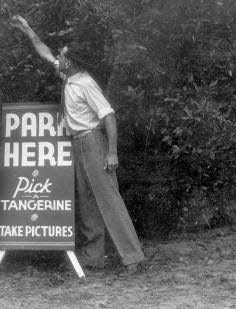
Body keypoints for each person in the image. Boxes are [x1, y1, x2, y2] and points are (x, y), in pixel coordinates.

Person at [11, 15, 144, 275]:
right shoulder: (68, 77)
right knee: (87, 203)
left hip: (94, 142)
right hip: (78, 144)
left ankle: (133, 258)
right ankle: (94, 257)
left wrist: (112, 152)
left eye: (61, 57)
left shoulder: (85, 83)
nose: (57, 60)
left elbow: (109, 116)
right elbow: (44, 52)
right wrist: (28, 30)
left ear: (70, 62)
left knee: (109, 200)